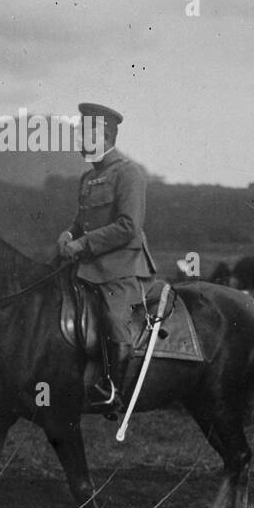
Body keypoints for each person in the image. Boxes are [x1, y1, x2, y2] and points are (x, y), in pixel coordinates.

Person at [56, 103, 157, 411]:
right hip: (87, 266)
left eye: (83, 133)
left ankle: (113, 391)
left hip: (120, 267)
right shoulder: (87, 178)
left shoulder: (128, 174)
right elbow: (81, 221)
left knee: (115, 319)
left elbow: (129, 226)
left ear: (103, 135)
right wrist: (68, 235)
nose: (78, 139)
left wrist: (82, 244)